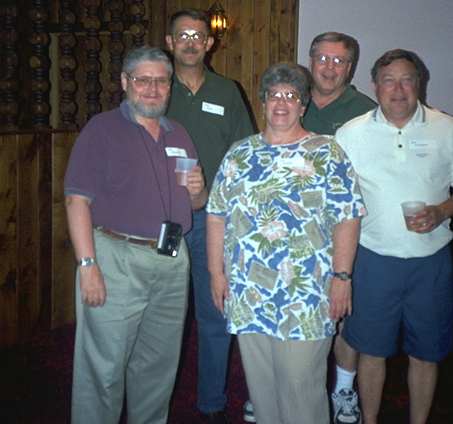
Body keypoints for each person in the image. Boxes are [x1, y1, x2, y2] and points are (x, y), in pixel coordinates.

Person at [206, 62, 365, 424]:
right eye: (274, 95)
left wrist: (342, 277)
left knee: (299, 385)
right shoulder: (239, 154)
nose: (281, 102)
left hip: (306, 291)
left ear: (303, 105)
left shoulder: (326, 152)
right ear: (263, 102)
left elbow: (347, 217)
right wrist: (216, 273)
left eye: (291, 95)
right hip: (249, 290)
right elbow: (216, 215)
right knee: (261, 388)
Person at [335, 49, 453, 424]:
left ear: (420, 84)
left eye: (406, 80)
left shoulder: (447, 128)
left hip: (430, 264)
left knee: (426, 354)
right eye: (388, 80)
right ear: (374, 85)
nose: (398, 89)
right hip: (372, 260)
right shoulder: (350, 133)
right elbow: (336, 198)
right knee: (371, 351)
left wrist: (442, 211)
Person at [64, 45, 206, 423]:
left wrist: (198, 191)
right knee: (104, 369)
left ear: (170, 86)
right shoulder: (102, 129)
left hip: (172, 260)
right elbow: (76, 201)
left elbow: (195, 203)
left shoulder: (179, 133)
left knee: (158, 368)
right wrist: (87, 265)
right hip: (116, 258)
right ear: (126, 82)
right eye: (143, 80)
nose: (153, 89)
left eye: (161, 81)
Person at [165, 8, 255, 424]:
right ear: (170, 42)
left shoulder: (227, 90)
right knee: (162, 317)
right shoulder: (155, 86)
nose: (190, 42)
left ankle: (212, 402)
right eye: (182, 35)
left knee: (215, 314)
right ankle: (153, 402)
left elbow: (244, 154)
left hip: (214, 222)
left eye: (197, 36)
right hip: (162, 220)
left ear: (210, 43)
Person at [303, 31, 376, 424]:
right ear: (310, 61)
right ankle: (290, 386)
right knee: (299, 309)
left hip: (346, 230)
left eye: (338, 60)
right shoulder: (292, 100)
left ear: (350, 67)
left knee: (342, 310)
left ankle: (343, 391)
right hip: (297, 230)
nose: (329, 67)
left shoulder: (366, 111)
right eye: (322, 58)